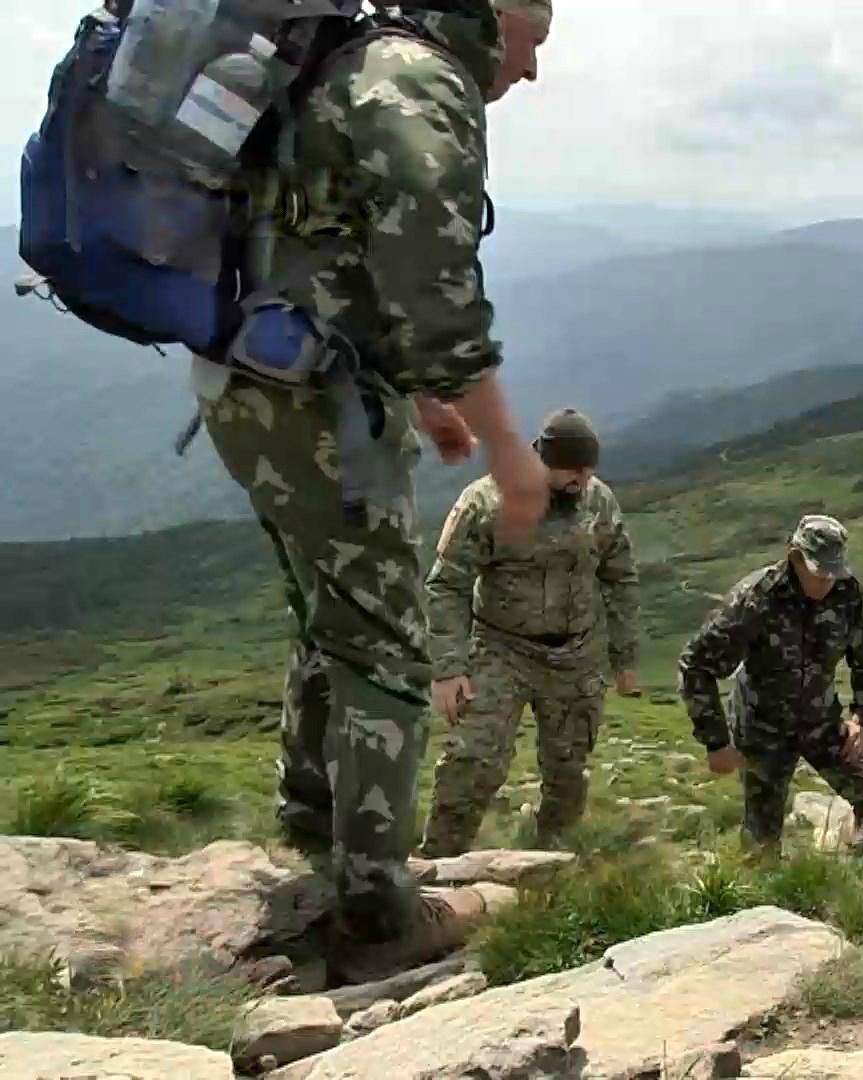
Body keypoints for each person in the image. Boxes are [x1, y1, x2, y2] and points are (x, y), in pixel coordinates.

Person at [191, 0, 554, 984]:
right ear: (497, 14)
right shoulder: (419, 75)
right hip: (314, 404)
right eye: (533, 45)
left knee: (336, 613)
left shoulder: (353, 62)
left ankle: (317, 821)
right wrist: (510, 455)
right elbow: (435, 283)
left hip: (253, 381)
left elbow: (353, 249)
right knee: (387, 642)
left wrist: (432, 398)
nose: (528, 74)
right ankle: (378, 905)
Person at [419, 408, 642, 856]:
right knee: (473, 760)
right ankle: (437, 867)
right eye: (571, 470)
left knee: (568, 772)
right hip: (501, 648)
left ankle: (549, 869)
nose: (581, 480)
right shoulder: (486, 502)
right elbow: (447, 584)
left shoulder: (599, 502)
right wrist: (448, 669)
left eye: (587, 470)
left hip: (574, 657)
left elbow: (620, 577)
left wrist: (625, 658)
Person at [677, 515, 863, 863]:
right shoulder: (755, 599)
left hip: (820, 720)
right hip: (763, 728)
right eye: (818, 571)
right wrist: (716, 740)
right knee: (762, 840)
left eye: (834, 572)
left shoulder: (848, 594)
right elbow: (696, 665)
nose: (827, 581)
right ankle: (760, 905)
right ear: (795, 558)